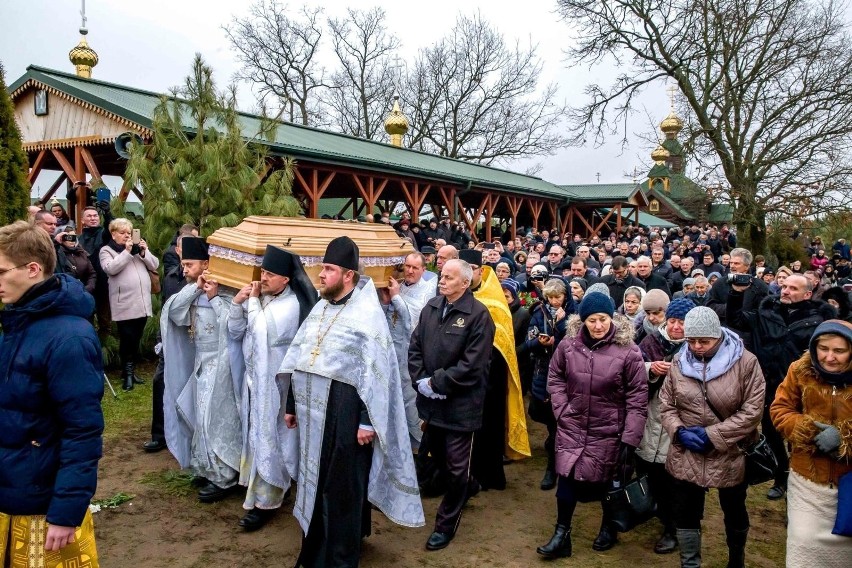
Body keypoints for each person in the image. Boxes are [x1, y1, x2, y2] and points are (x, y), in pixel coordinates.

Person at [282, 237, 424, 566]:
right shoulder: (320, 308)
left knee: (342, 487)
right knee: (315, 483)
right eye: (322, 268)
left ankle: (341, 558)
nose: (320, 274)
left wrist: (367, 420)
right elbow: (300, 358)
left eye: (328, 269)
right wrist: (291, 404)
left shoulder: (366, 315)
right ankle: (315, 549)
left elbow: (375, 374)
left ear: (348, 275)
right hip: (313, 410)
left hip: (346, 413)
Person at [0, 221, 104, 565]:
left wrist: (65, 511)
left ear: (32, 269)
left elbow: (82, 430)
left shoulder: (69, 339)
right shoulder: (16, 324)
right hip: (12, 490)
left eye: (1, 272)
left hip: (43, 507)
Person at [536, 292, 647, 559]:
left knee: (609, 483)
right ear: (582, 321)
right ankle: (561, 535)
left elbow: (637, 398)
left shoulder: (629, 351)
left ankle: (608, 528)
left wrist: (630, 439)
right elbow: (556, 377)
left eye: (603, 319)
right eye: (592, 320)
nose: (598, 326)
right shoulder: (568, 344)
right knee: (567, 480)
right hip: (573, 424)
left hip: (609, 429)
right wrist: (562, 409)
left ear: (612, 318)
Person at [659, 307, 765, 568]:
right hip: (687, 450)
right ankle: (690, 563)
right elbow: (666, 404)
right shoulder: (679, 361)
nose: (696, 347)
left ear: (718, 336)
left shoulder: (746, 362)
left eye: (704, 341)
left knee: (734, 508)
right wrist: (679, 431)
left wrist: (713, 436)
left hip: (731, 451)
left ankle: (736, 559)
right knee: (685, 510)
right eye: (691, 340)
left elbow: (752, 411)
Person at [227, 246, 317, 531]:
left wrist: (251, 302)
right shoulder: (263, 298)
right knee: (255, 435)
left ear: (286, 280)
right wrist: (236, 305)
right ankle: (256, 488)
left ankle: (268, 498)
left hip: (277, 388)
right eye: (263, 271)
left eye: (270, 274)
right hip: (255, 381)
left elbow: (263, 332)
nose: (263, 278)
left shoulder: (290, 306)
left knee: (274, 439)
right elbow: (236, 333)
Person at [726, 272, 836, 500]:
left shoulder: (820, 321)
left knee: (804, 435)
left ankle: (802, 484)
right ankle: (782, 477)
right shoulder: (767, 312)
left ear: (807, 293)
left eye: (792, 289)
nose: (785, 291)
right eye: (784, 286)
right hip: (771, 387)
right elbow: (736, 319)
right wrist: (736, 293)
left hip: (807, 390)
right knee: (772, 433)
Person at [409, 258, 495, 550]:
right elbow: (415, 346)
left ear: (465, 282)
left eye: (448, 277)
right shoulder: (431, 308)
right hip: (432, 405)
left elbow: (473, 365)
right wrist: (420, 380)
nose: (441, 281)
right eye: (441, 276)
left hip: (460, 407)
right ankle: (468, 487)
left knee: (456, 468)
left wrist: (437, 382)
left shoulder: (478, 315)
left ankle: (445, 524)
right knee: (444, 463)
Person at [161, 237, 243, 503]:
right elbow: (174, 313)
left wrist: (214, 297)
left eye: (189, 264)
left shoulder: (228, 292)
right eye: (183, 264)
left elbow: (231, 328)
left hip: (222, 363)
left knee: (215, 420)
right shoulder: (193, 291)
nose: (183, 269)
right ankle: (206, 468)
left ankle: (225, 475)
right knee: (199, 417)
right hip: (201, 362)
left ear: (206, 264)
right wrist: (196, 289)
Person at [770, 320, 852, 567]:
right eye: (823, 348)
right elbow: (780, 409)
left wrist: (845, 438)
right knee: (803, 545)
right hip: (807, 479)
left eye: (839, 351)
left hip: (848, 481)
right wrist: (806, 430)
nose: (830, 357)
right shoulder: (799, 370)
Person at [459, 249, 531, 490]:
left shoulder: (494, 298)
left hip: (490, 374)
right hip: (459, 374)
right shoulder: (454, 293)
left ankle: (486, 474)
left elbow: (503, 341)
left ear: (481, 269)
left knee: (488, 424)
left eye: (472, 267)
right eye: (463, 267)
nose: (468, 273)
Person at [637, 297, 696, 555]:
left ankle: (673, 528)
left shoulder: (698, 347)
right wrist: (650, 368)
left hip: (681, 422)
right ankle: (658, 514)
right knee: (652, 472)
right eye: (672, 320)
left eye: (681, 322)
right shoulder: (650, 342)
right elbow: (632, 371)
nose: (675, 327)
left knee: (677, 479)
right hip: (651, 418)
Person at [100, 218, 159, 391]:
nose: (126, 236)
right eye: (122, 233)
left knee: (136, 339)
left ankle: (132, 372)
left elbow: (154, 264)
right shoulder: (107, 250)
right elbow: (110, 269)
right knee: (127, 339)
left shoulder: (137, 250)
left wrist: (144, 252)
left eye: (129, 233)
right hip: (124, 303)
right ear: (113, 234)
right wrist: (126, 253)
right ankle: (126, 374)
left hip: (142, 302)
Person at [525, 278, 571, 491]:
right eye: (550, 297)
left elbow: (575, 344)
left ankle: (552, 468)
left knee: (556, 423)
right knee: (536, 411)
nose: (554, 302)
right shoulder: (538, 313)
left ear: (565, 296)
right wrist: (539, 342)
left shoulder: (573, 315)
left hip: (565, 375)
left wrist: (560, 326)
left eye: (558, 297)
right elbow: (529, 341)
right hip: (542, 371)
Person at [78, 204, 114, 336]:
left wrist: (107, 213)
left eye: (95, 216)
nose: (93, 218)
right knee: (87, 318)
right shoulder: (78, 239)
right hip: (86, 285)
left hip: (104, 284)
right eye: (89, 216)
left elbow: (111, 229)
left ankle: (106, 348)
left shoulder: (103, 235)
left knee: (105, 320)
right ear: (82, 220)